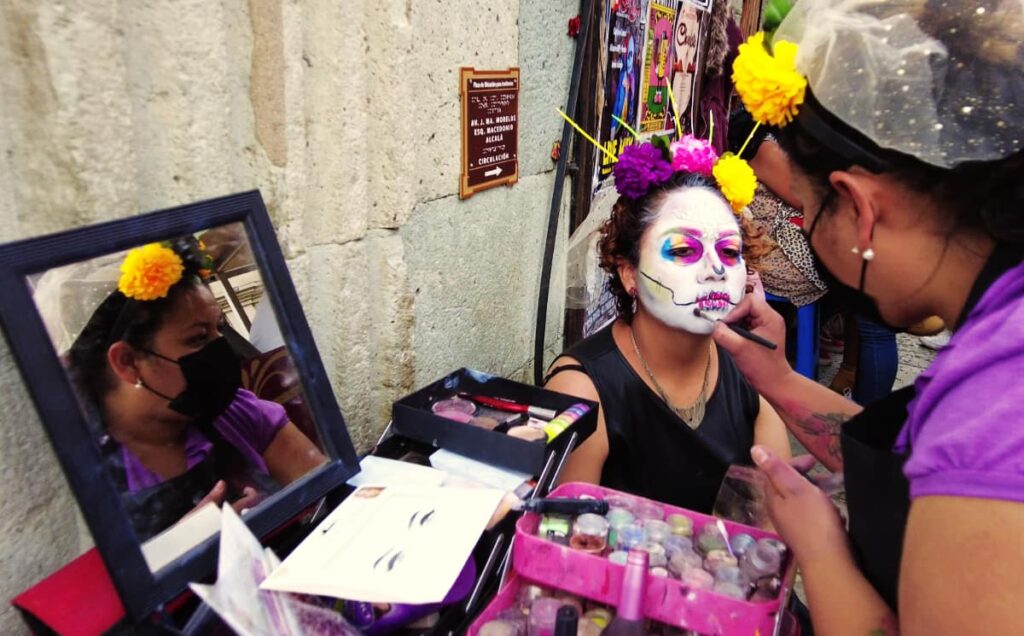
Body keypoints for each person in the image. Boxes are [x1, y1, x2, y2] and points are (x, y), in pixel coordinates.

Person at [719, 1, 1024, 632]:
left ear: (859, 209)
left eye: (804, 211)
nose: (802, 227)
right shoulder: (996, 336)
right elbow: (919, 461)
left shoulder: (996, 414)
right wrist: (775, 378)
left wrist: (821, 549)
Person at [545, 162, 790, 513]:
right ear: (629, 274)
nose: (716, 270)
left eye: (729, 252)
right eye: (682, 251)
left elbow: (776, 522)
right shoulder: (583, 390)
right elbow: (564, 543)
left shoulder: (751, 366)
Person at [63, 238, 325, 540]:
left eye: (220, 328)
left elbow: (324, 489)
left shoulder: (236, 412)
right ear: (128, 362)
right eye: (198, 339)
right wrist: (182, 545)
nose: (220, 349)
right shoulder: (90, 472)